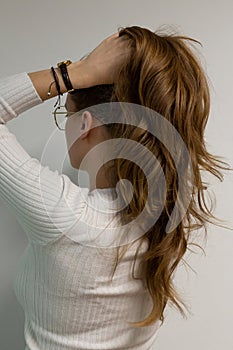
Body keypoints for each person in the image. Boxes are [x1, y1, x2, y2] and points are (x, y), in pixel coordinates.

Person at [0, 26, 228, 350]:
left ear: (85, 124)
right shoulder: (168, 209)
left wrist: (75, 74)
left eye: (65, 113)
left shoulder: (65, 214)